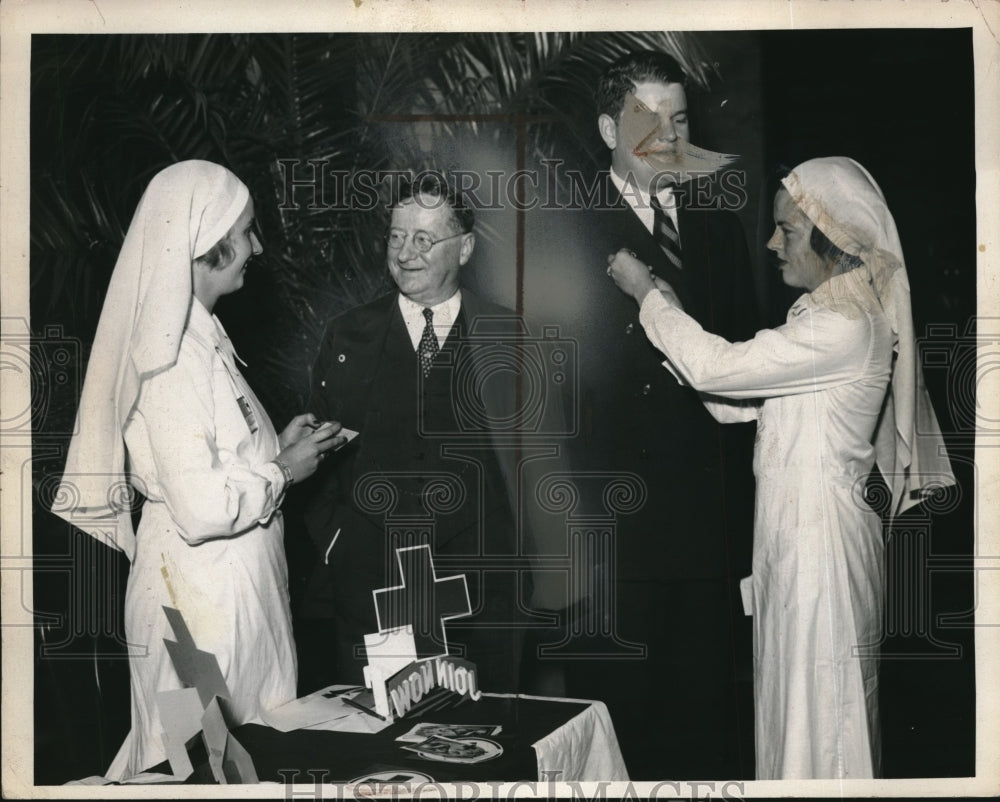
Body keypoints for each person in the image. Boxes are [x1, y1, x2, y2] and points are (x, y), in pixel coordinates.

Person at [608, 156, 956, 779]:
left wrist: (645, 296)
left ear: (832, 241)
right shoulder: (823, 320)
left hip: (819, 553)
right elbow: (729, 404)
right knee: (796, 717)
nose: (772, 243)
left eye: (787, 231)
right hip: (798, 547)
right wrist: (671, 311)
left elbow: (717, 369)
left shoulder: (843, 326)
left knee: (822, 724)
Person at [52, 160, 344, 779]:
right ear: (208, 243)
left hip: (230, 601)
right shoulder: (169, 354)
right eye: (247, 232)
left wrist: (272, 450)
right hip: (189, 615)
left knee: (251, 767)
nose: (256, 248)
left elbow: (214, 461)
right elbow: (201, 507)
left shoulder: (202, 336)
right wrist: (284, 473)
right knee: (196, 774)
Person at [522, 50, 759, 777]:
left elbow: (747, 362)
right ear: (605, 129)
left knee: (705, 731)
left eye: (680, 123)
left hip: (706, 534)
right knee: (620, 740)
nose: (669, 143)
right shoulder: (559, 232)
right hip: (609, 542)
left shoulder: (719, 223)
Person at [303, 174, 567, 694]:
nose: (405, 253)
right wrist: (339, 543)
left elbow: (540, 469)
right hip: (374, 586)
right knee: (380, 749)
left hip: (483, 594)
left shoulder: (510, 337)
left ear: (465, 248)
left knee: (480, 745)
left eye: (424, 239)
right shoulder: (347, 335)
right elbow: (320, 453)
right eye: (397, 237)